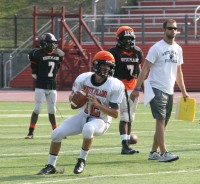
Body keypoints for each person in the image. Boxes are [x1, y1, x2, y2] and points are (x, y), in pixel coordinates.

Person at [37, 50, 124, 175]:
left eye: (109, 66)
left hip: (101, 121)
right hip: (82, 116)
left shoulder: (115, 85)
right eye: (103, 65)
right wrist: (75, 98)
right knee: (56, 134)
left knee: (88, 129)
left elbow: (115, 114)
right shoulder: (83, 78)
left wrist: (98, 105)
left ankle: (82, 160)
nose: (106, 69)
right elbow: (71, 99)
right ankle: (51, 166)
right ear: (96, 65)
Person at [130, 19, 189, 162]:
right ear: (164, 30)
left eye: (175, 29)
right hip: (156, 87)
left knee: (164, 122)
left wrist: (183, 91)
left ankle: (153, 152)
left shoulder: (178, 49)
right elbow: (145, 69)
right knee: (160, 120)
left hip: (169, 90)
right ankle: (164, 152)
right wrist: (137, 88)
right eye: (170, 28)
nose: (173, 31)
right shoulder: (156, 47)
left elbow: (178, 72)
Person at [108, 26, 143, 154]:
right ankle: (124, 145)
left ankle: (127, 143)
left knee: (130, 117)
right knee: (124, 115)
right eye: (125, 39)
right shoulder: (113, 52)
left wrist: (140, 86)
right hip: (120, 86)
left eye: (130, 39)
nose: (128, 41)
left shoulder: (137, 51)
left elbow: (139, 70)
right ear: (119, 39)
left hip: (133, 87)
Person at [25, 33, 65, 139]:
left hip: (52, 86)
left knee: (52, 111)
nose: (52, 45)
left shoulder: (58, 54)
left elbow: (59, 65)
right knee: (37, 109)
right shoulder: (37, 53)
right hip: (41, 85)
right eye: (50, 43)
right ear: (43, 43)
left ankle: (56, 132)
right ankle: (30, 132)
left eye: (53, 43)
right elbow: (34, 71)